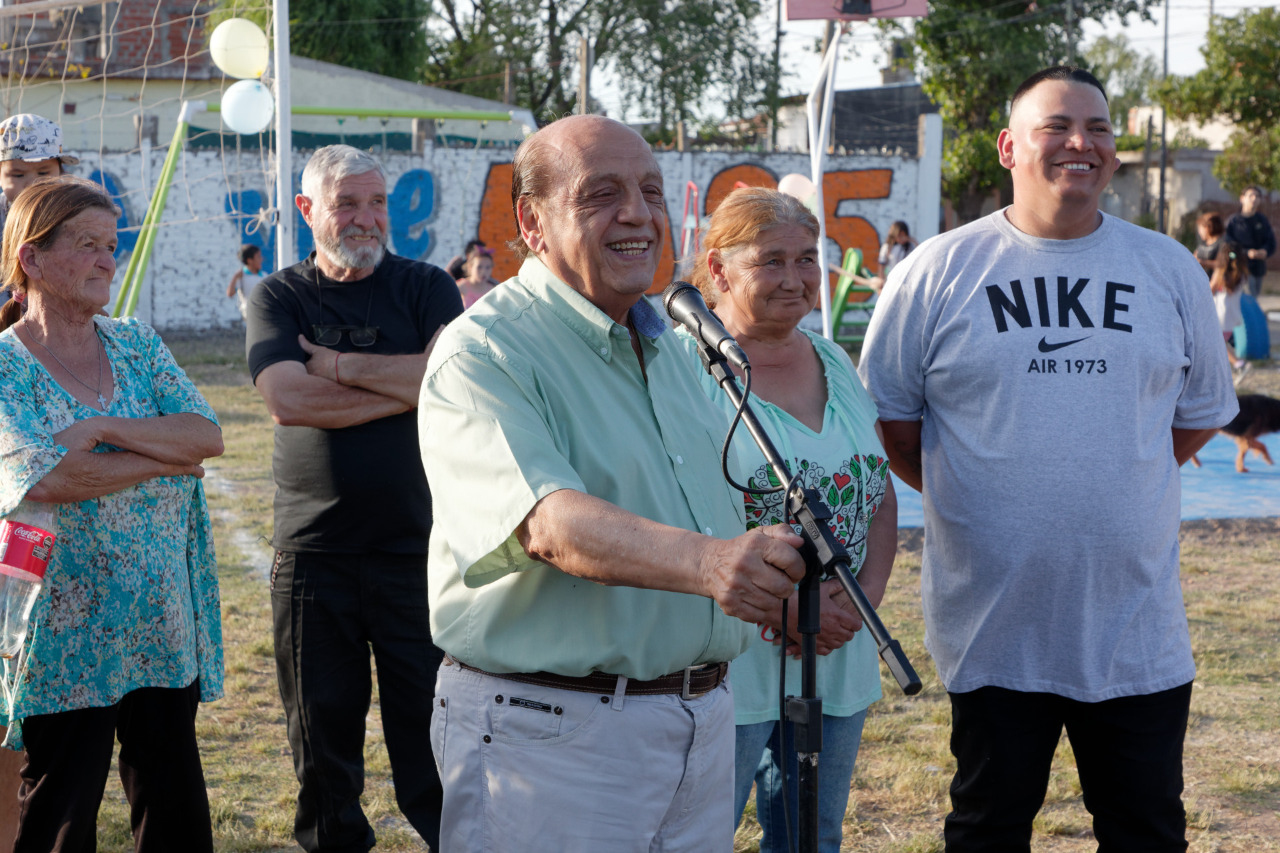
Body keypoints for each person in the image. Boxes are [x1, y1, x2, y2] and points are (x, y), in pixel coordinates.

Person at [857, 66, 1239, 852]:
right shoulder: (938, 269)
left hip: (1136, 627)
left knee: (1148, 830)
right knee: (988, 829)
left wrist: (1109, 468)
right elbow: (893, 426)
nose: (1082, 143)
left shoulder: (1166, 267)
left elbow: (1193, 418)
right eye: (1057, 126)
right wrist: (989, 485)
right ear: (1008, 146)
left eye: (1098, 128)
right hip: (995, 626)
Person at [419, 114, 808, 852]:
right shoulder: (485, 348)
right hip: (554, 733)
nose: (638, 212)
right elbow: (548, 524)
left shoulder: (678, 343)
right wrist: (716, 564)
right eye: (602, 193)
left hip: (701, 718)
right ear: (532, 223)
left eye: (651, 191)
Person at [245, 145, 462, 853]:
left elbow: (449, 383)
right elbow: (285, 398)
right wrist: (406, 384)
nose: (367, 219)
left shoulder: (426, 286)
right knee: (322, 748)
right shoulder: (279, 295)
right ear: (308, 210)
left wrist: (337, 364)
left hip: (417, 551)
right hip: (315, 557)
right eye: (347, 204)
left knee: (433, 741)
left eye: (377, 203)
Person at [0, 176, 224, 851]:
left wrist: (107, 425)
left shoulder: (136, 344)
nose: (107, 259)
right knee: (62, 812)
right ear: (30, 260)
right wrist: (164, 456)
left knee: (173, 804)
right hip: (62, 629)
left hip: (158, 616)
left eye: (111, 245)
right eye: (88, 245)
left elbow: (206, 435)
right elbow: (50, 477)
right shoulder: (5, 366)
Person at [677, 186, 898, 853]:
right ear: (717, 269)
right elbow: (673, 511)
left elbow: (879, 493)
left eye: (807, 259)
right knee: (698, 836)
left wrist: (857, 606)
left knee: (812, 837)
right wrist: (782, 612)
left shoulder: (832, 358)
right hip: (731, 653)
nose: (797, 278)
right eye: (772, 260)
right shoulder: (683, 371)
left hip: (835, 645)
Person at [0, 114, 78, 237]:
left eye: (43, 173)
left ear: (60, 173)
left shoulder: (74, 210)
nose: (32, 184)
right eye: (18, 175)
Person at [1224, 185, 1275, 297]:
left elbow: (1271, 243)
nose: (1254, 198)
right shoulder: (1233, 222)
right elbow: (1228, 249)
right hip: (1240, 269)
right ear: (1242, 198)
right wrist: (1246, 253)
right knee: (1245, 301)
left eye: (1257, 196)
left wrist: (1264, 251)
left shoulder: (1262, 220)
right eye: (1251, 195)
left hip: (1258, 268)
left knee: (1254, 300)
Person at [1211, 240, 1249, 377]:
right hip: (1232, 315)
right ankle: (1230, 367)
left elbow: (1210, 289)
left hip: (1220, 313)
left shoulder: (1220, 273)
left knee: (1217, 343)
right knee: (1221, 342)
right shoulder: (1242, 274)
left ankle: (1239, 364)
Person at [226, 243, 265, 321]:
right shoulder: (242, 276)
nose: (261, 259)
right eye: (258, 257)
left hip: (263, 312)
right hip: (249, 314)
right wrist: (235, 277)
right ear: (250, 260)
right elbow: (230, 294)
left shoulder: (264, 276)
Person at [1193, 210, 1224, 276]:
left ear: (1207, 227)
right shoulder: (1202, 244)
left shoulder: (1221, 244)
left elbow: (1221, 264)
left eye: (1200, 229)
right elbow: (1194, 257)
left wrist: (1203, 263)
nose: (1199, 232)